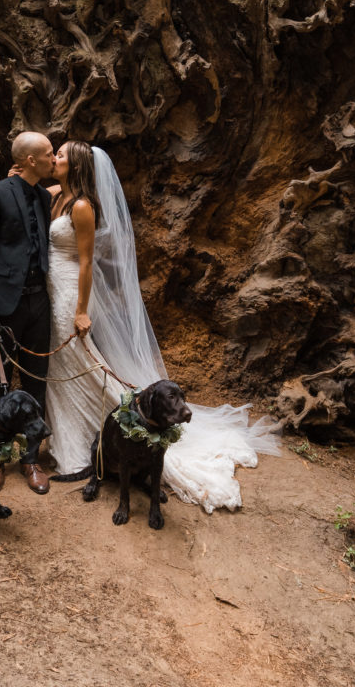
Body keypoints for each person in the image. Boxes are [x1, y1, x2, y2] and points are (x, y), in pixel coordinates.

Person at [44, 141, 280, 512]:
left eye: (59, 155)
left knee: (80, 366)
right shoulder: (61, 194)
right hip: (53, 286)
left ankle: (111, 436)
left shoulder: (83, 206)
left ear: (74, 167)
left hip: (70, 292)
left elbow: (87, 263)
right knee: (63, 368)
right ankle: (70, 438)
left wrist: (82, 310)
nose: (52, 159)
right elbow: (41, 187)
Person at [0, 131, 55, 494]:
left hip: (39, 303)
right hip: (2, 303)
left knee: (37, 381)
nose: (53, 159)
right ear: (31, 161)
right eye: (49, 154)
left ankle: (31, 459)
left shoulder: (45, 196)